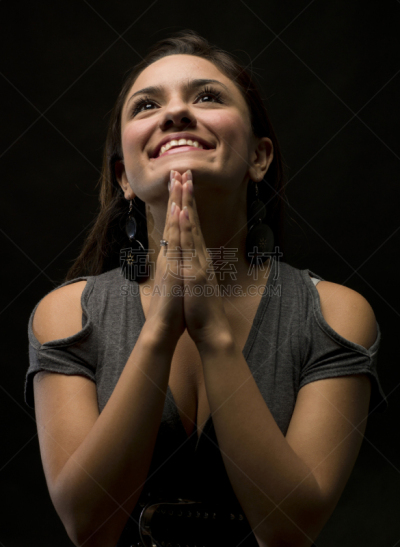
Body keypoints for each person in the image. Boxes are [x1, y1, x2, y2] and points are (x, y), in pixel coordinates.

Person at [25, 30, 387, 547]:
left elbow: (288, 528)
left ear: (259, 158)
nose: (175, 113)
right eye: (147, 105)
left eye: (208, 97)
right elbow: (89, 526)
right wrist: (159, 330)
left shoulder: (334, 315)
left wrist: (213, 332)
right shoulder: (66, 315)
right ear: (125, 176)